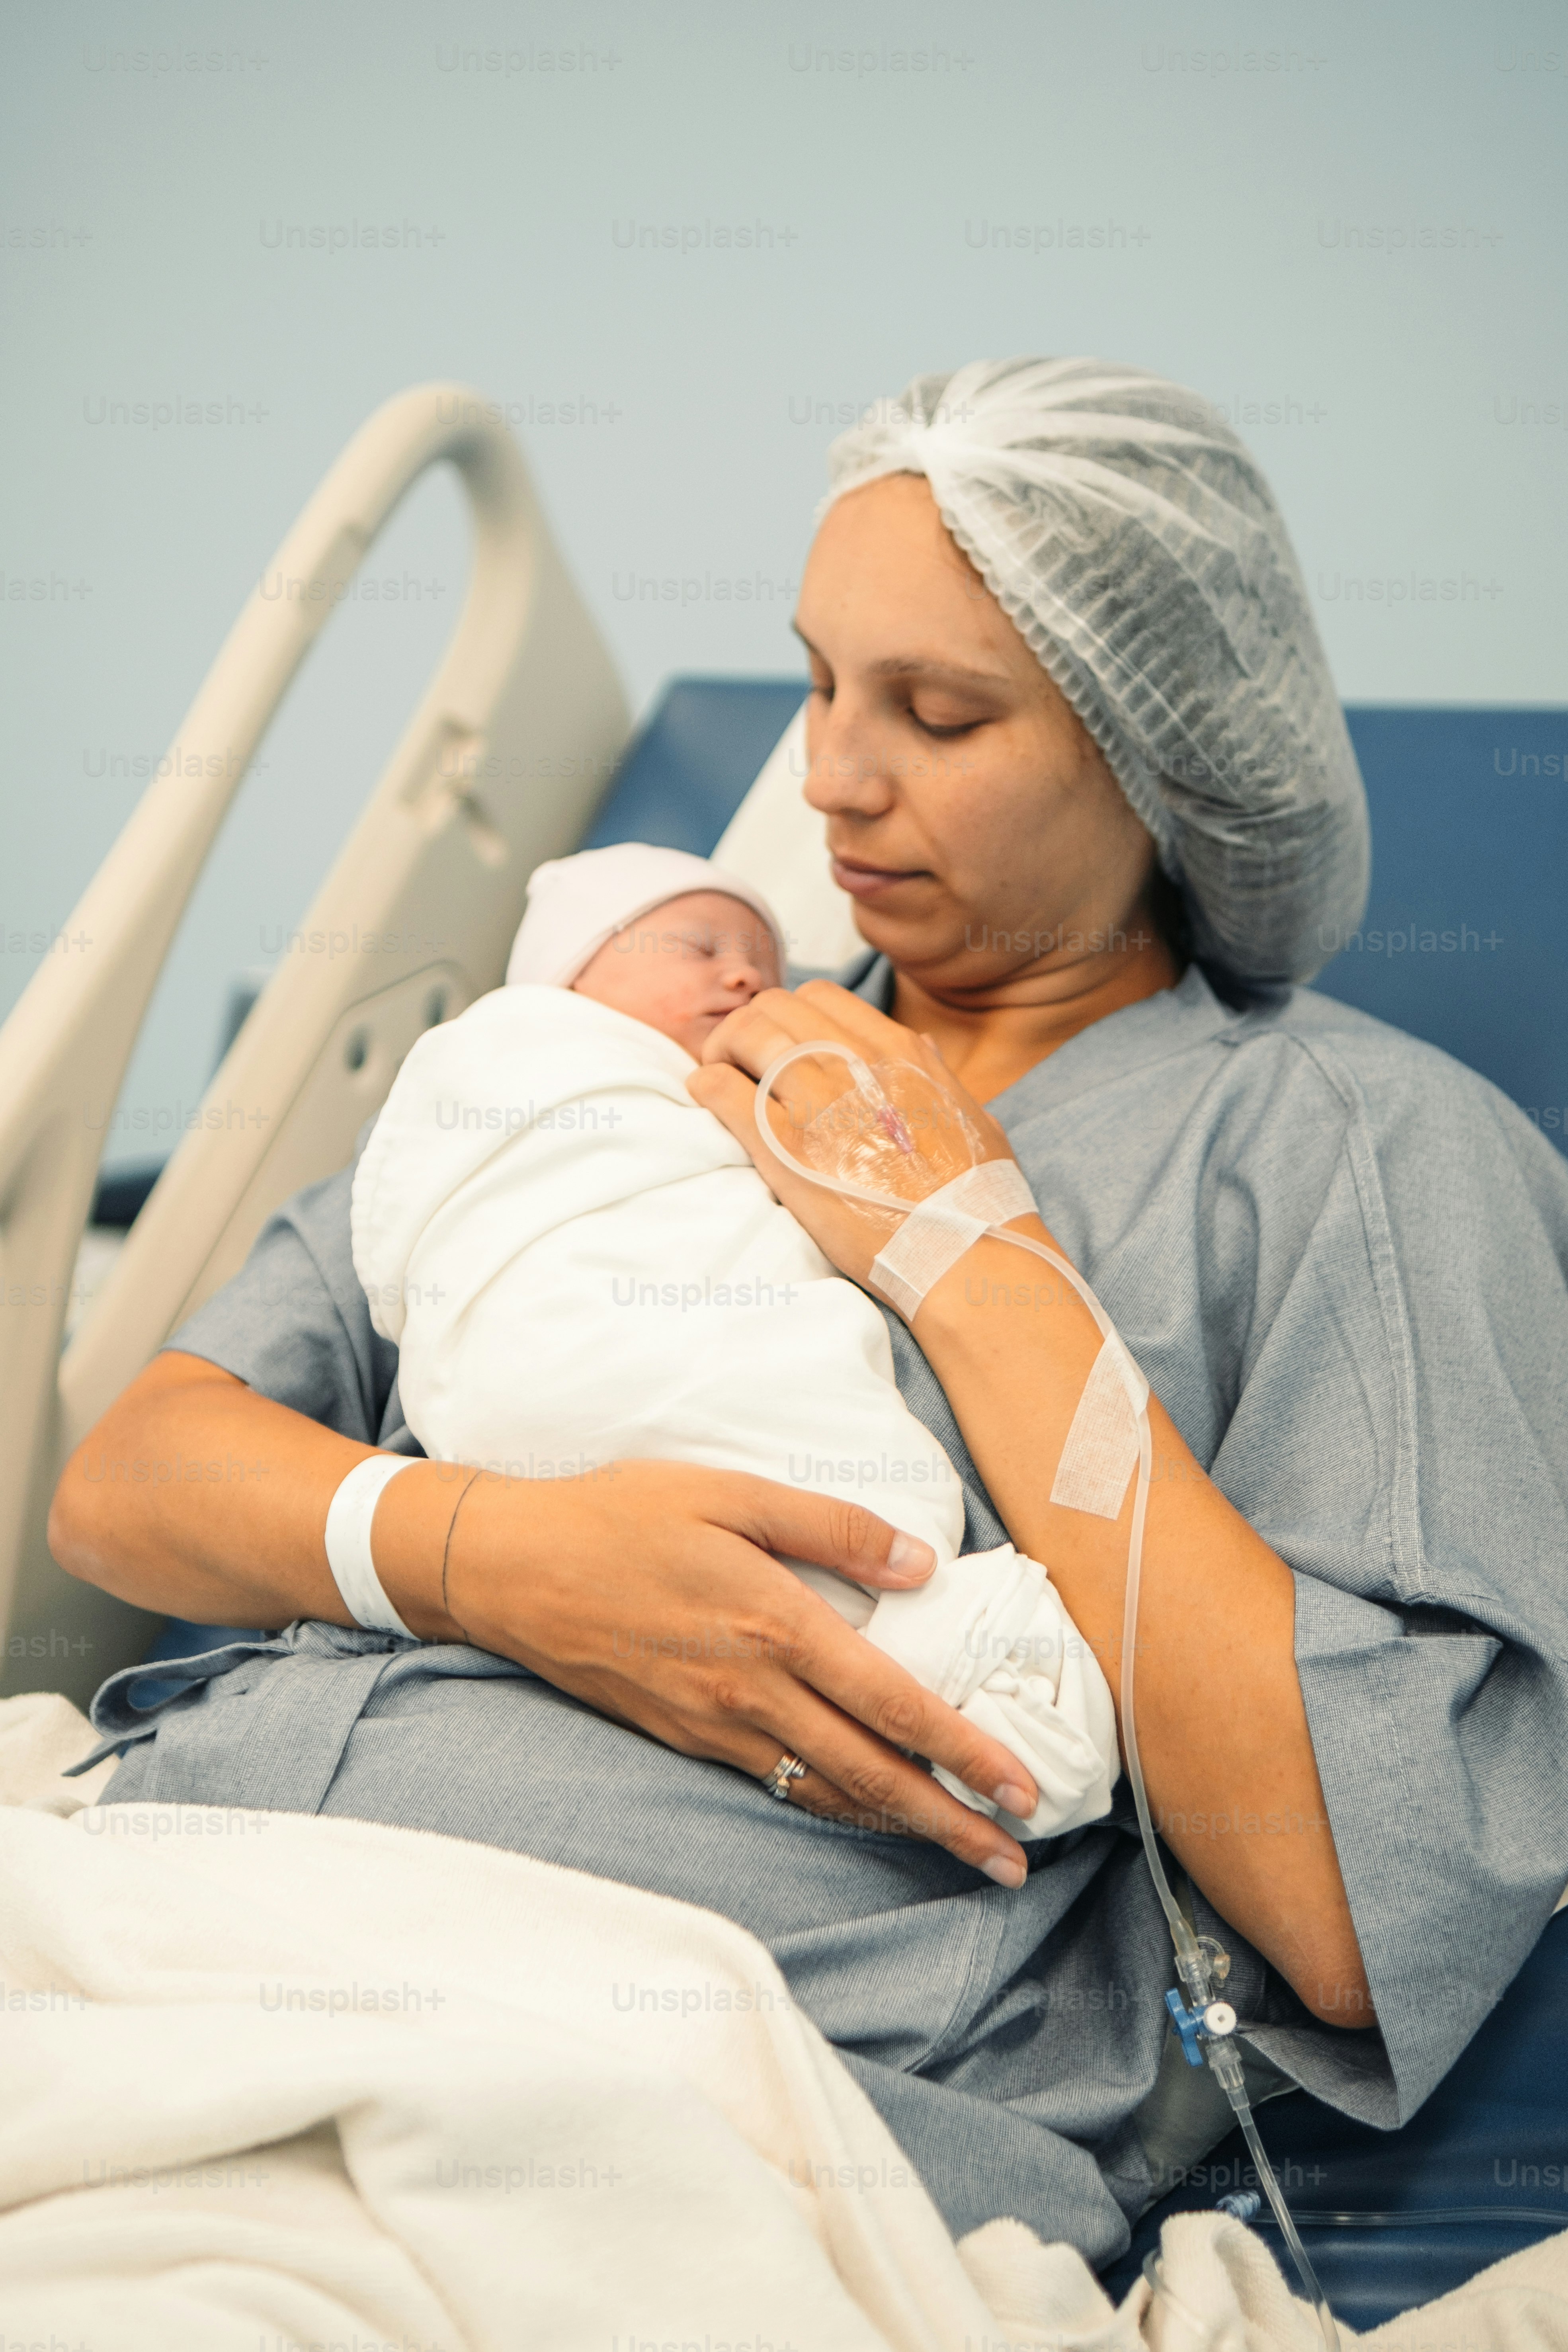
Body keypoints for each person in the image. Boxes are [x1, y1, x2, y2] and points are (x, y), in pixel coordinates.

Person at [50, 357, 1568, 2269]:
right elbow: (134, 1480)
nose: (832, 777)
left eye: (936, 713)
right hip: (184, 1892)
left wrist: (959, 1251)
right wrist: (487, 1552)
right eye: (821, 682)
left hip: (656, 2084)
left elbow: (1352, 1899)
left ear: (1154, 755)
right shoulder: (646, 1024)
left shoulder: (1357, 1147)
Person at [351, 839, 1119, 1838]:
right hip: (537, 1394)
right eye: (699, 945)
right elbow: (127, 1484)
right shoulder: (511, 1070)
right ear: (568, 977)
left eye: (764, 959)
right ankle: (912, 1649)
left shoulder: (809, 1088)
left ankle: (898, 1655)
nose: (748, 974)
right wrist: (468, 1551)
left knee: (816, 1489)